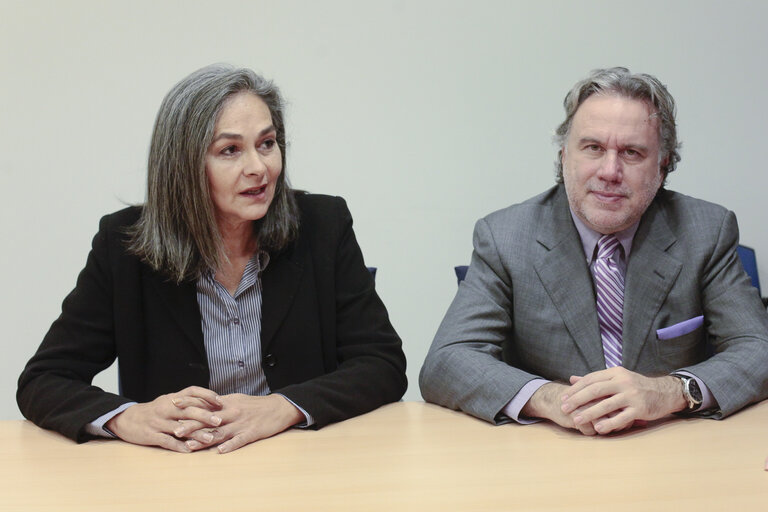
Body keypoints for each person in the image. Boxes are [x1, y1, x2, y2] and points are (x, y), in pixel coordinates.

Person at [17, 64, 407, 453]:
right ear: (184, 166)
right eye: (230, 150)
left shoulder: (323, 225)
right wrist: (127, 416)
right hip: (180, 473)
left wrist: (283, 407)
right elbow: (44, 380)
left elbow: (381, 363)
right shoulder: (123, 246)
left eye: (267, 143)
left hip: (299, 461)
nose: (259, 168)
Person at [420, 67, 768, 436]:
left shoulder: (705, 230)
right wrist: (552, 399)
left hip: (667, 442)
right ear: (564, 155)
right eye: (593, 148)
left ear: (663, 166)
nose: (609, 171)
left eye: (632, 152)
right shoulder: (506, 236)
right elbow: (447, 361)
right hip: (550, 448)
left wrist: (668, 391)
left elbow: (757, 349)